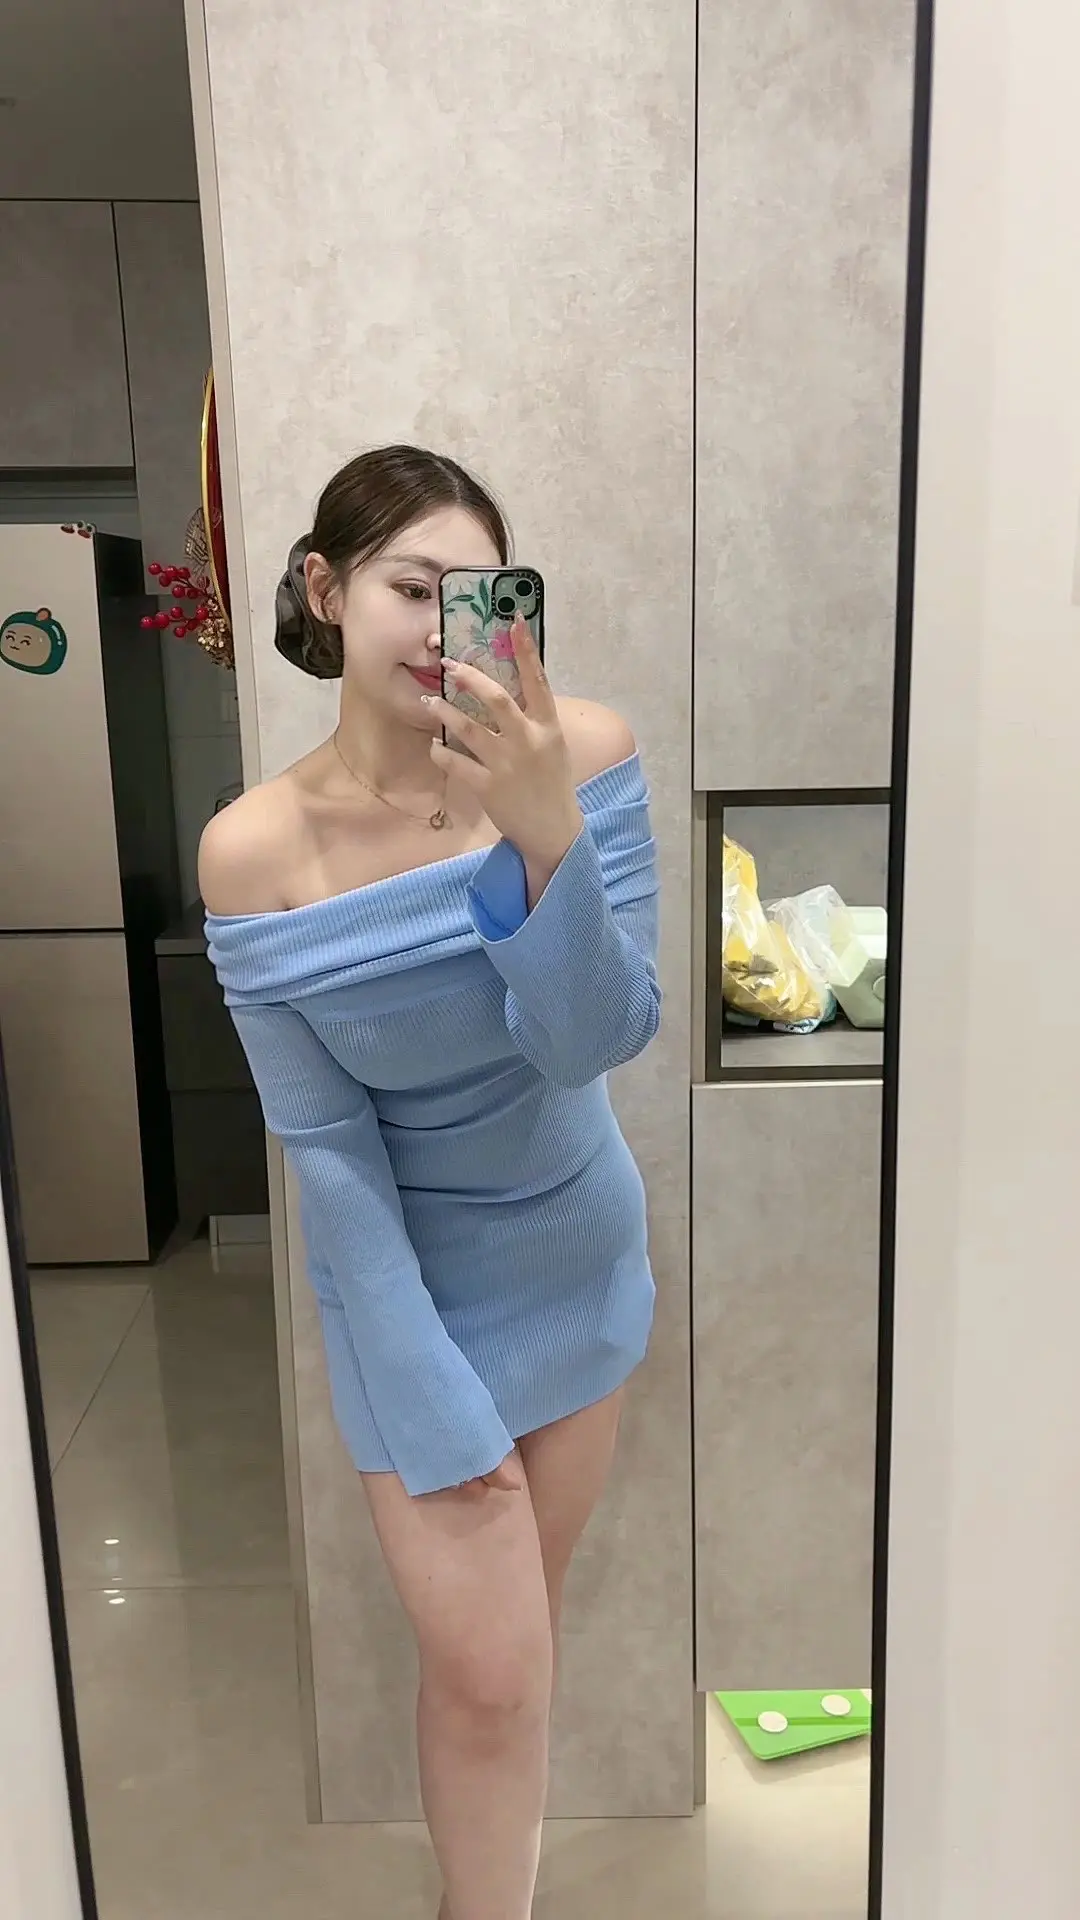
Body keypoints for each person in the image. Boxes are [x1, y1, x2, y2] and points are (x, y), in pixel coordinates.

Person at [199, 445, 661, 1920]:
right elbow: (327, 1149)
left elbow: (596, 1038)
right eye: (412, 586)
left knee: (509, 1661)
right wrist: (428, 1392)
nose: (443, 625)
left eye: (478, 595)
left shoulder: (583, 753)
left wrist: (544, 830)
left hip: (575, 1263)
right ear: (327, 590)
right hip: (403, 1288)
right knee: (487, 1673)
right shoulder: (253, 852)